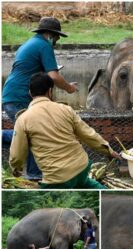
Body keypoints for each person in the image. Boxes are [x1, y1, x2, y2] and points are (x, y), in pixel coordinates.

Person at [9, 72, 121, 189]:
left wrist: (16, 169)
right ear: (50, 91)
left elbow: (17, 155)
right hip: (81, 167)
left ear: (30, 93)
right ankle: (106, 192)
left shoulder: (23, 119)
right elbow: (88, 134)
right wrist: (109, 151)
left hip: (57, 178)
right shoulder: (66, 109)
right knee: (84, 182)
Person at [2, 16, 77, 180]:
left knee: (28, 133)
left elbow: (41, 73)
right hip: (20, 96)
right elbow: (54, 76)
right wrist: (70, 88)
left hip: (12, 94)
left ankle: (35, 174)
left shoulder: (28, 44)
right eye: (56, 37)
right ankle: (35, 175)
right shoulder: (44, 46)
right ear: (50, 34)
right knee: (32, 134)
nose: (57, 40)